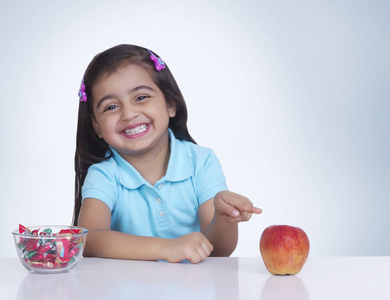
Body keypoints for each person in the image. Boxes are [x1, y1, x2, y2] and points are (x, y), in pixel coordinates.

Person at [73, 44, 262, 264]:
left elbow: (218, 252)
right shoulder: (104, 175)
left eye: (141, 97)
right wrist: (166, 248)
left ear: (170, 104)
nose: (129, 113)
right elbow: (88, 240)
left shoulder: (201, 162)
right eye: (111, 107)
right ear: (96, 126)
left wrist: (224, 219)